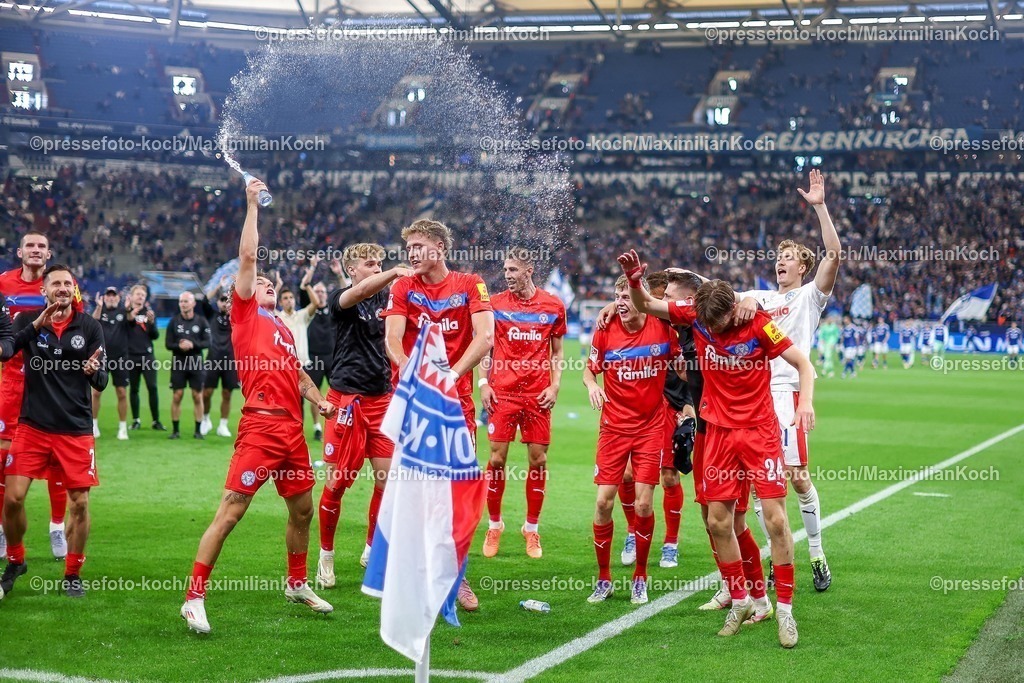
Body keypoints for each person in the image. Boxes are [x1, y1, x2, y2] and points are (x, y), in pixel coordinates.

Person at [620, 249, 815, 648]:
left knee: (777, 521)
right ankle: (739, 600)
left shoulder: (757, 323)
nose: (713, 330)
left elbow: (803, 364)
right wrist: (635, 280)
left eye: (719, 324)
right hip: (719, 434)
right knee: (718, 522)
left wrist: (806, 403)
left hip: (759, 432)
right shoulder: (698, 314)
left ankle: (785, 611)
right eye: (708, 324)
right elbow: (647, 304)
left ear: (733, 311)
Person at [181, 177, 334, 635]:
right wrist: (252, 204)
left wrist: (320, 401)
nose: (264, 282)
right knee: (231, 511)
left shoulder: (282, 328)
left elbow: (298, 373)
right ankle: (193, 598)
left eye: (269, 282)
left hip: (292, 431)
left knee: (302, 510)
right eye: (258, 281)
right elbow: (248, 257)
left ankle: (296, 584)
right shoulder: (245, 314)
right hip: (261, 427)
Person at [382, 219, 494, 612]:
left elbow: (485, 337)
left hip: (455, 405)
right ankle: (416, 570)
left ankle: (456, 575)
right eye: (408, 248)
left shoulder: (470, 284)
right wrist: (409, 369)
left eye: (419, 246)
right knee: (417, 492)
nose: (411, 254)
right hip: (415, 404)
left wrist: (451, 376)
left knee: (456, 494)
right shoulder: (403, 287)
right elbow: (392, 338)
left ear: (440, 248)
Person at [739, 169, 841, 592]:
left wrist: (820, 207)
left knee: (796, 476)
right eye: (778, 257)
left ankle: (816, 553)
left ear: (803, 267)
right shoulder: (761, 298)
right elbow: (716, 296)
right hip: (754, 398)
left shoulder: (809, 297)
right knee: (762, 485)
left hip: (788, 393)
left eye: (788, 258)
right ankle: (776, 555)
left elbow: (834, 255)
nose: (780, 262)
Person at [0, 264, 107, 600]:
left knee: (80, 504)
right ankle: (16, 560)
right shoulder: (27, 320)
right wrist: (37, 325)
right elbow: (9, 349)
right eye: (56, 283)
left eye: (67, 283)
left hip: (75, 429)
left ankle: (72, 573)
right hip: (33, 426)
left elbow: (102, 379)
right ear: (43, 290)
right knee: (13, 498)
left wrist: (92, 372)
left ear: (73, 290)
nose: (62, 288)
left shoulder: (89, 326)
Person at [316, 244, 412, 587]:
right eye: (370, 264)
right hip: (346, 401)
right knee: (337, 483)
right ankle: (326, 556)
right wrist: (395, 271)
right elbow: (360, 292)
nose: (377, 268)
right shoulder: (340, 298)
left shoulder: (388, 299)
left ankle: (372, 548)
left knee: (387, 481)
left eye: (380, 263)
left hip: (381, 401)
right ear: (351, 270)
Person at [582, 275, 679, 606]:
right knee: (602, 503)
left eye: (626, 296)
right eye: (617, 296)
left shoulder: (662, 327)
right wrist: (592, 385)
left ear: (640, 299)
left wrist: (688, 404)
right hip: (613, 427)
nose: (620, 302)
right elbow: (589, 370)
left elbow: (681, 365)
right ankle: (604, 579)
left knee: (643, 505)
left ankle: (640, 577)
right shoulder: (605, 329)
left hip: (651, 427)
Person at [480, 248, 566, 560]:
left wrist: (555, 385)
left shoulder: (553, 305)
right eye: (506, 269)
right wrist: (484, 383)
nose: (507, 275)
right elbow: (485, 346)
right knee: (497, 459)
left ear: (529, 270)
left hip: (537, 395)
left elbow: (557, 352)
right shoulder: (495, 304)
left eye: (513, 269)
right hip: (503, 393)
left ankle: (531, 528)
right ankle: (494, 525)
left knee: (538, 460)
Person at [0, 231, 71, 561]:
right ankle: (5, 529)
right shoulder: (4, 283)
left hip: (49, 382)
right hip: (13, 381)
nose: (35, 250)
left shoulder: (61, 283)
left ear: (49, 253)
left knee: (56, 456)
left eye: (41, 246)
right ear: (20, 252)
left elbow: (76, 324)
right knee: (3, 459)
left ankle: (57, 526)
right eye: (30, 245)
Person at [277, 265, 318, 430]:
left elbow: (316, 303)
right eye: (285, 298)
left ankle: (301, 430)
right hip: (284, 367)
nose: (289, 300)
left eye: (291, 297)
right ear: (280, 302)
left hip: (303, 365)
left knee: (305, 399)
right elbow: (264, 307)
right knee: (287, 401)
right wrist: (277, 286)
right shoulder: (277, 317)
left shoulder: (301, 316)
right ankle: (288, 430)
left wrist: (306, 285)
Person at [165, 291, 210, 440]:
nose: (183, 304)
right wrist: (179, 346)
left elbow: (207, 342)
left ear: (193, 303)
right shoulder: (174, 322)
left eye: (186, 301)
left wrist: (192, 345)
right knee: (177, 395)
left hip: (196, 363)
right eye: (181, 302)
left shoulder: (201, 321)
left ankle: (198, 431)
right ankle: (175, 431)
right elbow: (168, 344)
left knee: (197, 395)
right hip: (179, 363)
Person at [198, 279, 237, 438]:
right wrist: (219, 287)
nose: (224, 303)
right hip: (213, 359)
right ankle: (206, 419)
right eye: (222, 300)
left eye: (227, 300)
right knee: (206, 393)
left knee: (227, 393)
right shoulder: (211, 315)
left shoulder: (236, 318)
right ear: (218, 302)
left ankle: (223, 425)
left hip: (230, 360)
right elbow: (204, 300)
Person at [92, 287, 130, 441]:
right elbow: (93, 322)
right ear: (104, 297)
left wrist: (128, 309)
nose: (111, 298)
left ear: (118, 298)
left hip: (121, 358)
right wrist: (99, 306)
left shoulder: (124, 312)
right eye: (108, 295)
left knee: (121, 392)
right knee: (96, 392)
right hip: (102, 357)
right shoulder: (100, 311)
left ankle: (123, 428)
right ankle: (94, 425)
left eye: (114, 295)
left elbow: (131, 320)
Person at [302, 261, 335, 442]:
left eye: (322, 291)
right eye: (317, 291)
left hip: (333, 357)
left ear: (326, 294)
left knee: (338, 391)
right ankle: (316, 427)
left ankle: (337, 424)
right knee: (314, 393)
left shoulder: (334, 310)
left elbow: (348, 290)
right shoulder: (308, 311)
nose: (320, 294)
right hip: (313, 357)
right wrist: (312, 268)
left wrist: (339, 274)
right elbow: (303, 286)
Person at [124, 285, 164, 431]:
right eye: (138, 294)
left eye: (142, 294)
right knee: (134, 388)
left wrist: (152, 323)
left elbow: (155, 336)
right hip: (131, 356)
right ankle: (136, 420)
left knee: (152, 387)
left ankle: (156, 420)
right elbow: (126, 326)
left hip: (147, 356)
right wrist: (129, 312)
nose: (140, 296)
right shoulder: (126, 312)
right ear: (132, 296)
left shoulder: (149, 313)